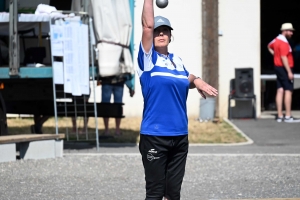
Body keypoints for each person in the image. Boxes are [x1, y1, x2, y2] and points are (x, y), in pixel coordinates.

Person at [137, 1, 218, 199]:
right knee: (155, 192)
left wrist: (196, 80)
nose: (161, 34)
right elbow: (147, 26)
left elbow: (184, 77)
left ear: (171, 36)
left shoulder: (176, 60)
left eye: (165, 31)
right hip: (155, 135)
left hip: (180, 136)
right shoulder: (147, 60)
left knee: (173, 193)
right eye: (157, 31)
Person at [267, 23, 300, 123]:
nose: (291, 33)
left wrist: (274, 55)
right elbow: (284, 57)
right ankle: (288, 116)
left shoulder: (276, 40)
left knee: (280, 90)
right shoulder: (284, 43)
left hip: (277, 67)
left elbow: (269, 46)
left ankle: (280, 115)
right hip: (285, 68)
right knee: (288, 90)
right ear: (284, 31)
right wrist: (289, 72)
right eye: (290, 31)